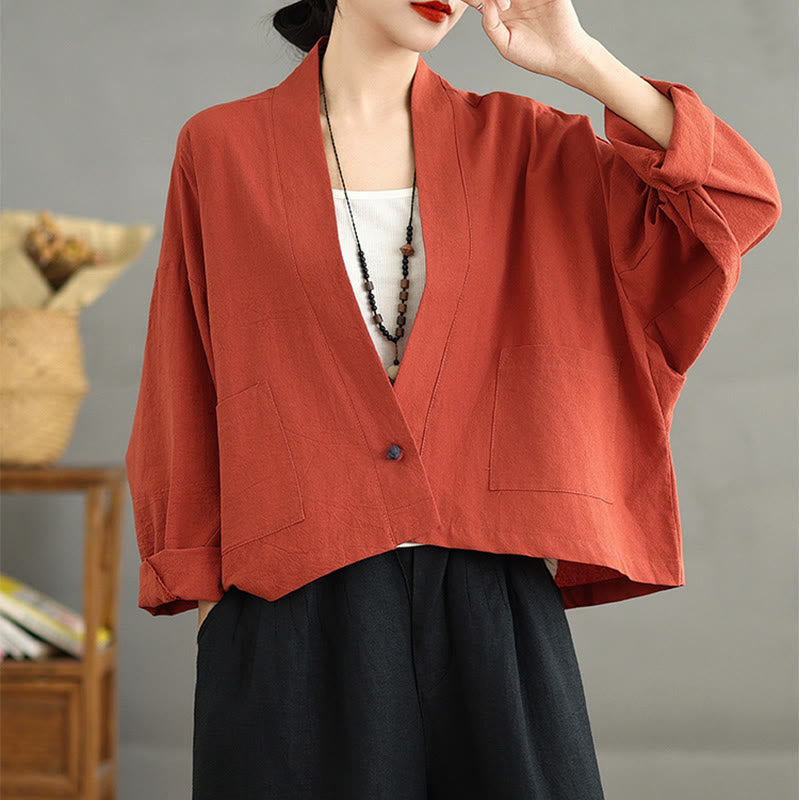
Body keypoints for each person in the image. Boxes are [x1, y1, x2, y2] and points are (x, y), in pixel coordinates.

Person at [125, 1, 781, 798]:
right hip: (288, 600)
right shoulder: (222, 147)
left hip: (489, 590)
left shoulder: (525, 144)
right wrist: (215, 615)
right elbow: (183, 379)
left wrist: (578, 59)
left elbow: (733, 204)